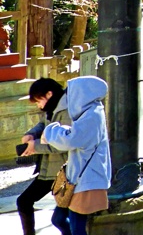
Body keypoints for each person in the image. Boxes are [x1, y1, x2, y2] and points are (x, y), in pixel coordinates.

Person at [40, 75, 111, 235]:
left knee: (77, 226)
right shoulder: (89, 113)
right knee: (59, 219)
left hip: (86, 180)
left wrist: (51, 130)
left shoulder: (93, 115)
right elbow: (76, 135)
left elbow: (71, 139)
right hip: (78, 178)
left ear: (82, 94)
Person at [17, 78, 70, 235]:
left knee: (61, 218)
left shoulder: (66, 111)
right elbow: (43, 124)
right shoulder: (53, 107)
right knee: (24, 201)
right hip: (49, 169)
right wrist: (31, 135)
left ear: (49, 94)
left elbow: (63, 143)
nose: (38, 105)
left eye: (38, 101)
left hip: (62, 171)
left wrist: (36, 147)